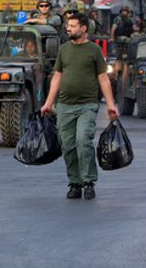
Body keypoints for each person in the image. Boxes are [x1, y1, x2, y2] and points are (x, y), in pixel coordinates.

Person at [40, 13, 118, 200]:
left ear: (83, 29)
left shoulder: (94, 50)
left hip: (87, 105)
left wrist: (110, 104)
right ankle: (75, 182)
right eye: (68, 25)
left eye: (73, 26)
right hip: (64, 106)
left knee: (83, 141)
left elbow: (103, 78)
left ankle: (88, 181)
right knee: (68, 145)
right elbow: (57, 76)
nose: (69, 28)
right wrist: (48, 103)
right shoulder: (64, 50)